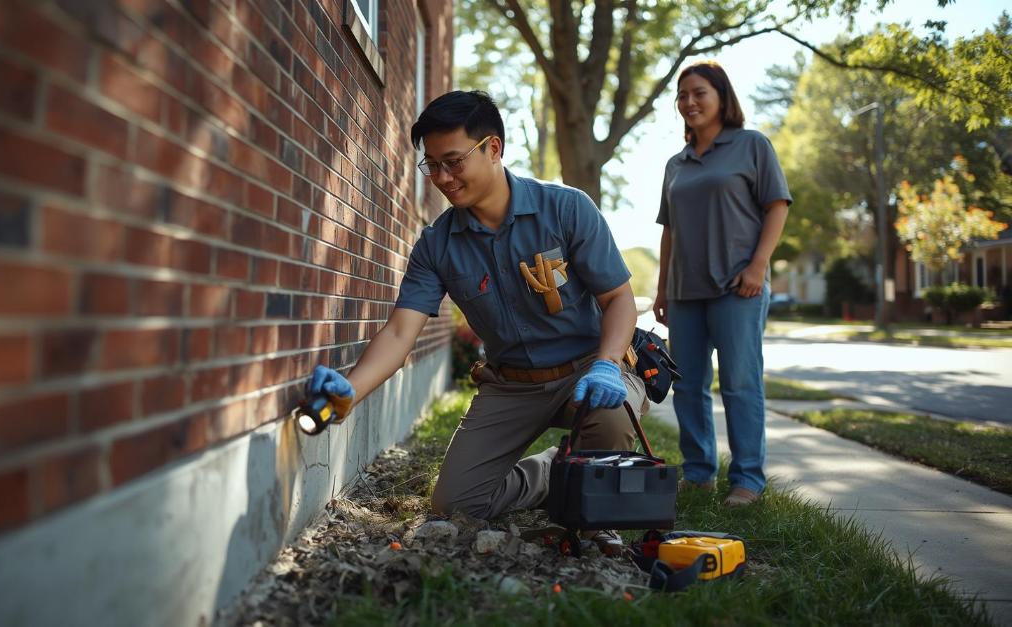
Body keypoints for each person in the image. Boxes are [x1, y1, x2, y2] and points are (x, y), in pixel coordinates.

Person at [306, 90, 647, 554]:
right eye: (432, 166)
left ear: (493, 148)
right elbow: (401, 332)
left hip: (590, 372)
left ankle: (596, 518)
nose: (443, 178)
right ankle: (555, 471)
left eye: (454, 161)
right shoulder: (436, 245)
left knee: (612, 412)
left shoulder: (566, 209)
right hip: (513, 385)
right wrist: (351, 390)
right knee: (455, 504)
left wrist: (609, 362)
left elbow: (619, 299)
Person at [652, 61, 791, 506]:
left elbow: (777, 206)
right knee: (687, 386)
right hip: (684, 292)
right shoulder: (676, 164)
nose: (689, 102)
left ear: (721, 98)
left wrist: (758, 266)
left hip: (739, 288)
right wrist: (661, 289)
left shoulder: (751, 145)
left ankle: (747, 479)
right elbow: (668, 230)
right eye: (682, 95)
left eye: (699, 93)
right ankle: (698, 474)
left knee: (739, 383)